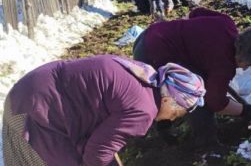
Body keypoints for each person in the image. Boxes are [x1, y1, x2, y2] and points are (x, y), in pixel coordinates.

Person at [2, 55, 205, 166]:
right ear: (169, 100)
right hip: (39, 107)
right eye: (178, 113)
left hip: (36, 87)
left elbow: (104, 134)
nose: (173, 118)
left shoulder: (145, 75)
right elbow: (97, 154)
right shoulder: (143, 111)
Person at [132, 7, 251, 148]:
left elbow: (196, 12)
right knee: (197, 96)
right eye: (248, 65)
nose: (245, 68)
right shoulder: (223, 64)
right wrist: (245, 111)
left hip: (150, 34)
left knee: (194, 84)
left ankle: (165, 125)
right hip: (153, 55)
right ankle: (206, 144)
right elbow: (216, 103)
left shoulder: (227, 23)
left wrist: (191, 40)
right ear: (242, 59)